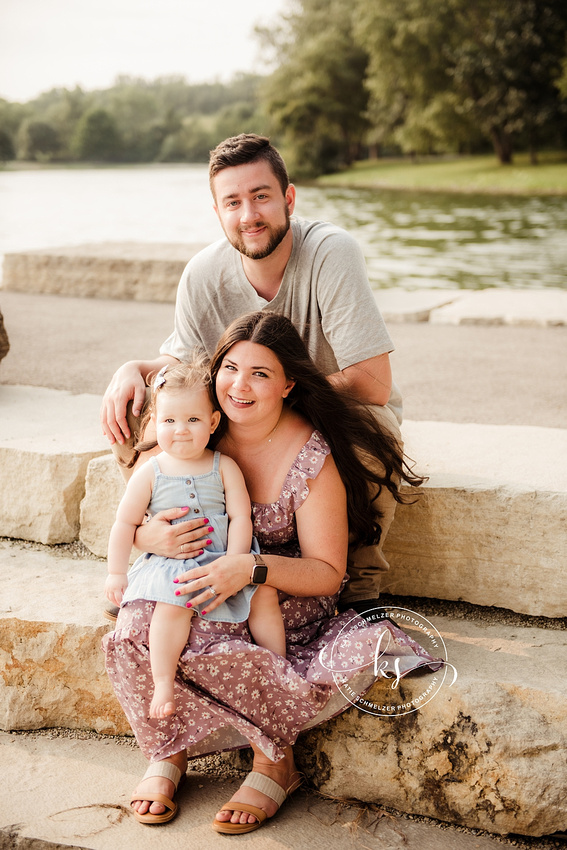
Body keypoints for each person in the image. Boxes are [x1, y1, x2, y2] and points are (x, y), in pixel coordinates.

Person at [102, 311, 440, 834]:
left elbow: (327, 573)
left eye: (259, 373)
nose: (239, 385)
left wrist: (249, 568)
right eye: (230, 367)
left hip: (277, 589)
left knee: (221, 638)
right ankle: (168, 748)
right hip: (190, 574)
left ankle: (273, 758)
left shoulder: (309, 457)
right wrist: (148, 536)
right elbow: (138, 504)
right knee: (133, 628)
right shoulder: (195, 422)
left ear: (287, 385)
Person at [100, 133, 403, 614]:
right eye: (233, 202)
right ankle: (160, 534)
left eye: (261, 196)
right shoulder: (202, 272)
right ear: (217, 210)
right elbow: (185, 365)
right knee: (145, 416)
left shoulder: (330, 252)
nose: (249, 215)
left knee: (367, 444)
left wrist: (282, 400)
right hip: (244, 404)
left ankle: (360, 582)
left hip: (332, 406)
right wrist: (134, 369)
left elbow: (372, 381)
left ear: (288, 198)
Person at [104, 359, 285, 721]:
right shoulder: (150, 472)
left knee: (264, 594)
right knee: (173, 605)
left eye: (193, 420)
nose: (181, 431)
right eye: (169, 421)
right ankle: (164, 681)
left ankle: (278, 668)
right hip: (176, 563)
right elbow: (124, 523)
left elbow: (240, 517)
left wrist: (235, 560)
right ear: (155, 420)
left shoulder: (223, 466)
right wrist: (116, 574)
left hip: (226, 556)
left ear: (213, 422)